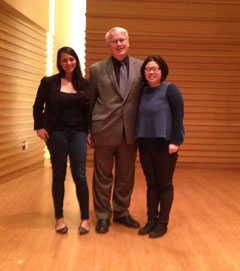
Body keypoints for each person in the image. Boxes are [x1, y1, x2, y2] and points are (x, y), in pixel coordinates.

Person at [87, 27, 143, 234]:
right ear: (108, 45)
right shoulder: (96, 69)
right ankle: (102, 216)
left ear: (128, 41)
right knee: (102, 176)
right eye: (114, 41)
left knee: (126, 176)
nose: (119, 44)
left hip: (130, 131)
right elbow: (90, 101)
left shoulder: (142, 67)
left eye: (122, 40)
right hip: (104, 129)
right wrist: (88, 129)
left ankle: (122, 212)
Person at [33, 47, 90, 235]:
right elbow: (38, 106)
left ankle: (85, 219)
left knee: (80, 175)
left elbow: (89, 111)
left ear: (76, 61)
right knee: (58, 175)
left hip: (79, 134)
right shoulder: (49, 82)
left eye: (71, 59)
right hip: (56, 134)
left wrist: (90, 132)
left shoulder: (84, 84)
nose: (68, 63)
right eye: (64, 60)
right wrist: (39, 127)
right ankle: (59, 218)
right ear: (59, 62)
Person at [135, 55, 184, 238]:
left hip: (165, 144)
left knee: (164, 184)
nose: (151, 72)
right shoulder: (143, 91)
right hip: (146, 142)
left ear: (162, 71)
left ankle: (163, 223)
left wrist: (175, 141)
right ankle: (151, 220)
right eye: (148, 69)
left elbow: (178, 117)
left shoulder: (170, 89)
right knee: (151, 184)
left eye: (155, 68)